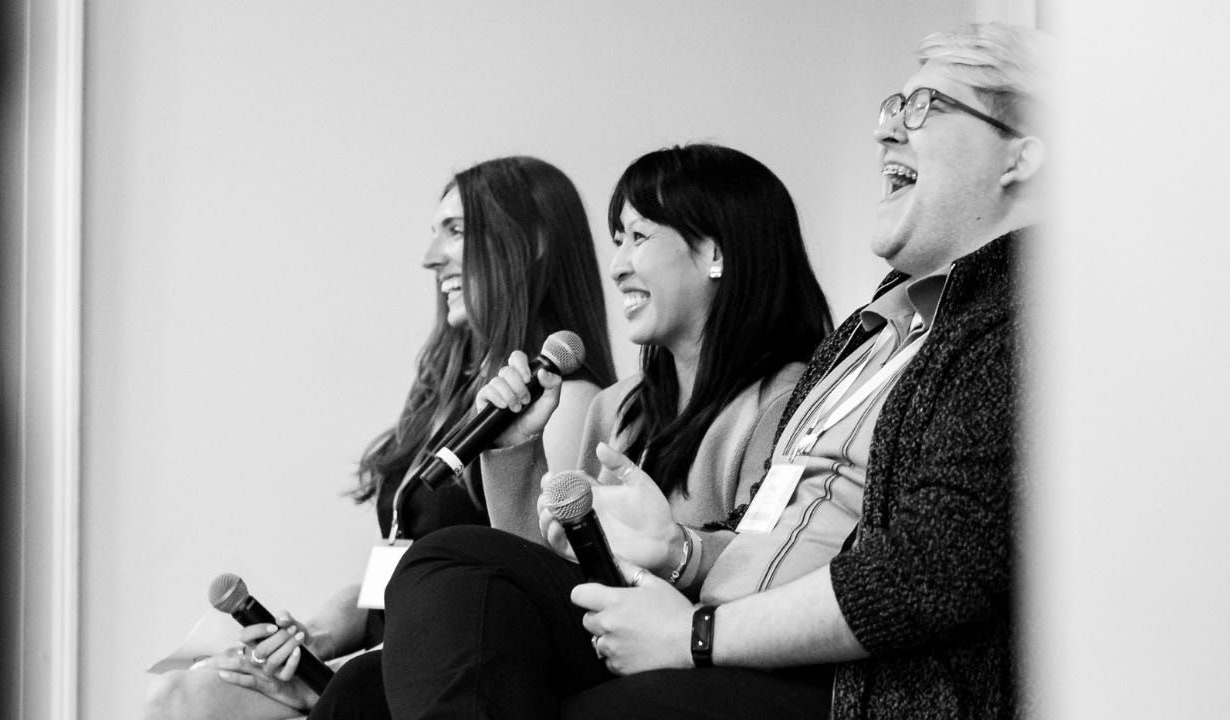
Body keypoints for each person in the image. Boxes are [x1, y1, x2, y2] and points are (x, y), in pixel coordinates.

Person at [372, 21, 1047, 720]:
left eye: (924, 107)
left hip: (827, 677)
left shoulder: (1017, 324)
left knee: (456, 569)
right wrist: (681, 548)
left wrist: (694, 633)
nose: (886, 132)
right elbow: (768, 529)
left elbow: (931, 570)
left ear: (1021, 156)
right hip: (717, 625)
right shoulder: (868, 334)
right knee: (369, 683)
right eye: (889, 109)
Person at [306, 143, 834, 720]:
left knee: (450, 557)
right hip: (599, 632)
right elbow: (534, 582)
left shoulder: (787, 401)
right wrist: (515, 449)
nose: (617, 266)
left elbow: (766, 571)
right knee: (360, 686)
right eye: (616, 241)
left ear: (713, 251)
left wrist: (671, 551)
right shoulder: (618, 408)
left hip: (685, 648)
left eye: (639, 237)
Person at [143, 155, 617, 720]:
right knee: (181, 689)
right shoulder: (454, 390)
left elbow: (536, 598)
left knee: (189, 701)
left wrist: (344, 673)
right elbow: (394, 564)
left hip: (452, 673)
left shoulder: (567, 403)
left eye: (455, 230)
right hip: (385, 651)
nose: (429, 257)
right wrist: (316, 635)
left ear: (533, 241)